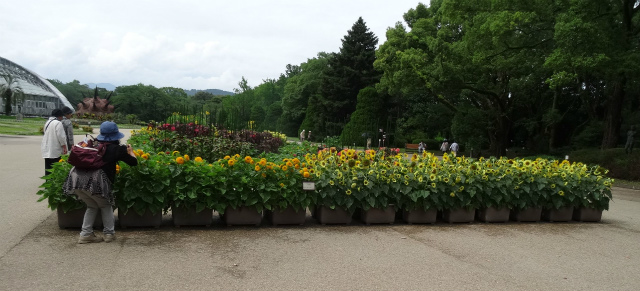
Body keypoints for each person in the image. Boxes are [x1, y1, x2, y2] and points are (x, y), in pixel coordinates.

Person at [63, 121, 138, 244]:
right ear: (116, 135)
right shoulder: (116, 149)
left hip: (76, 179)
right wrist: (130, 152)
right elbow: (133, 163)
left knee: (92, 205)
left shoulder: (92, 144)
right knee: (106, 205)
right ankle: (109, 234)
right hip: (95, 181)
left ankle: (86, 234)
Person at [41, 109, 68, 176]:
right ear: (59, 116)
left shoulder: (47, 122)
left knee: (48, 169)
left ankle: (48, 185)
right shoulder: (58, 123)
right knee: (56, 168)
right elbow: (61, 136)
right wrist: (64, 146)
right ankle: (53, 184)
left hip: (47, 149)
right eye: (62, 116)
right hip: (55, 150)